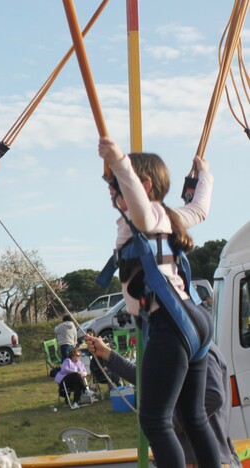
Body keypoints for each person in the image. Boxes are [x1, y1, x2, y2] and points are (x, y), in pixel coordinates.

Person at [98, 136, 219, 467]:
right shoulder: (168, 216)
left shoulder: (145, 214)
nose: (112, 191)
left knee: (155, 420)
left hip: (172, 322)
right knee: (193, 417)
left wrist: (120, 161)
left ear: (144, 185)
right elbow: (200, 208)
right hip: (194, 318)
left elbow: (136, 200)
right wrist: (203, 175)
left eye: (117, 185)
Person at [85, 334, 241, 468]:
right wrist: (108, 355)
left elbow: (213, 396)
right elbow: (149, 379)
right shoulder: (182, 350)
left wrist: (170, 424)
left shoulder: (198, 351)